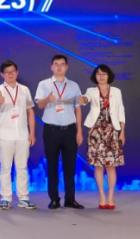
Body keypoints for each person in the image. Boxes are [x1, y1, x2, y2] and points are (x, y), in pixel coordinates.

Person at [35, 55, 84, 210]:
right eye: (56, 64)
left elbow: (78, 108)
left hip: (70, 130)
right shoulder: (44, 84)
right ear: (51, 67)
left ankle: (70, 199)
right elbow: (40, 105)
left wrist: (79, 131)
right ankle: (54, 199)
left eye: (62, 64)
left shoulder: (74, 86)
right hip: (51, 130)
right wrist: (47, 99)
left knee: (70, 166)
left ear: (66, 67)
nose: (59, 67)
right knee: (52, 165)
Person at [0, 61, 37, 210]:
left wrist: (32, 133)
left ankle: (24, 198)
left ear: (17, 73)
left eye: (12, 72)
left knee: (22, 167)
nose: (10, 74)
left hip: (23, 134)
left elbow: (30, 111)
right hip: (5, 134)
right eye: (7, 72)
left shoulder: (24, 89)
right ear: (2, 74)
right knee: (5, 167)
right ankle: (5, 198)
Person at [79, 64, 126, 210]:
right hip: (96, 132)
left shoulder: (116, 91)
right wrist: (83, 100)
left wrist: (122, 131)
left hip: (112, 131)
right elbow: (86, 98)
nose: (101, 76)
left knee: (111, 166)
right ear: (95, 76)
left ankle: (111, 196)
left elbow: (121, 110)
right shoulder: (91, 91)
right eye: (98, 74)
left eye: (104, 74)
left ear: (108, 75)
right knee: (98, 166)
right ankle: (101, 195)